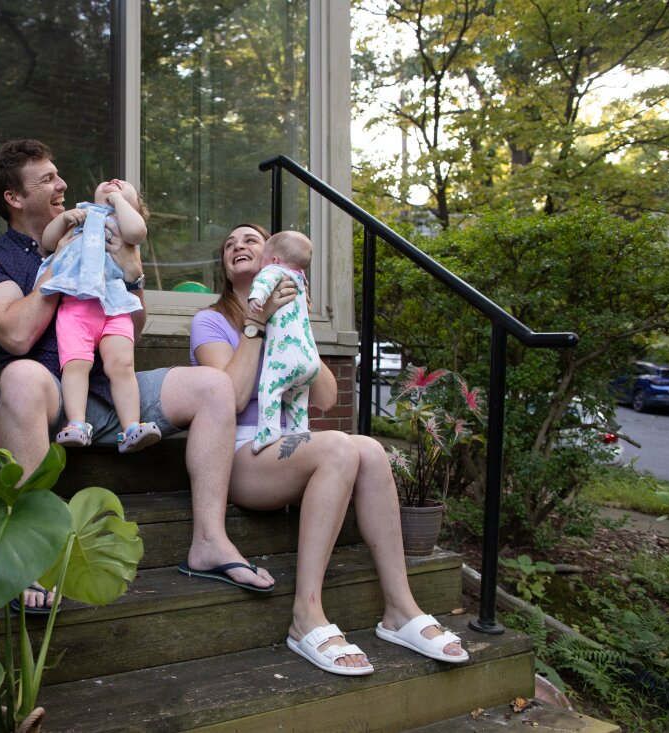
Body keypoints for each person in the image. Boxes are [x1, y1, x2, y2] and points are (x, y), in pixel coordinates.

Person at [0, 140, 274, 613]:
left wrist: (131, 276)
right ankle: (27, 555)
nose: (62, 184)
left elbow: (132, 327)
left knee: (213, 386)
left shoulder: (97, 229)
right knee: (22, 377)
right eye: (47, 178)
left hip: (113, 389)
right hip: (49, 396)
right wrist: (62, 266)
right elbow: (15, 334)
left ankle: (210, 542)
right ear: (13, 197)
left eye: (58, 174)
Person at [189, 223, 469, 676]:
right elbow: (233, 397)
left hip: (287, 445)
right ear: (226, 264)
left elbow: (324, 397)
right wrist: (257, 324)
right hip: (238, 453)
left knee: (372, 451)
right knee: (340, 447)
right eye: (229, 244)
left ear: (277, 260)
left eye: (250, 241)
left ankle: (401, 608)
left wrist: (296, 324)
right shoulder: (210, 321)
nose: (238, 246)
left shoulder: (292, 309)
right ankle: (306, 614)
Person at [37, 178, 162, 453]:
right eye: (110, 184)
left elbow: (137, 231)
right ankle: (76, 423)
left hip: (115, 308)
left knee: (122, 366)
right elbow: (48, 242)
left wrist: (118, 202)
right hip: (76, 306)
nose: (115, 182)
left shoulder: (124, 227)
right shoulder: (81, 215)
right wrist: (64, 219)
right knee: (75, 365)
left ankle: (131, 427)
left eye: (124, 188)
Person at [244, 230, 320, 453]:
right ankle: (299, 430)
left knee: (271, 388)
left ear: (274, 260)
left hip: (284, 357)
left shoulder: (273, 270)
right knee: (297, 396)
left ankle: (269, 430)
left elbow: (263, 283)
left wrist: (256, 299)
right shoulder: (300, 279)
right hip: (309, 358)